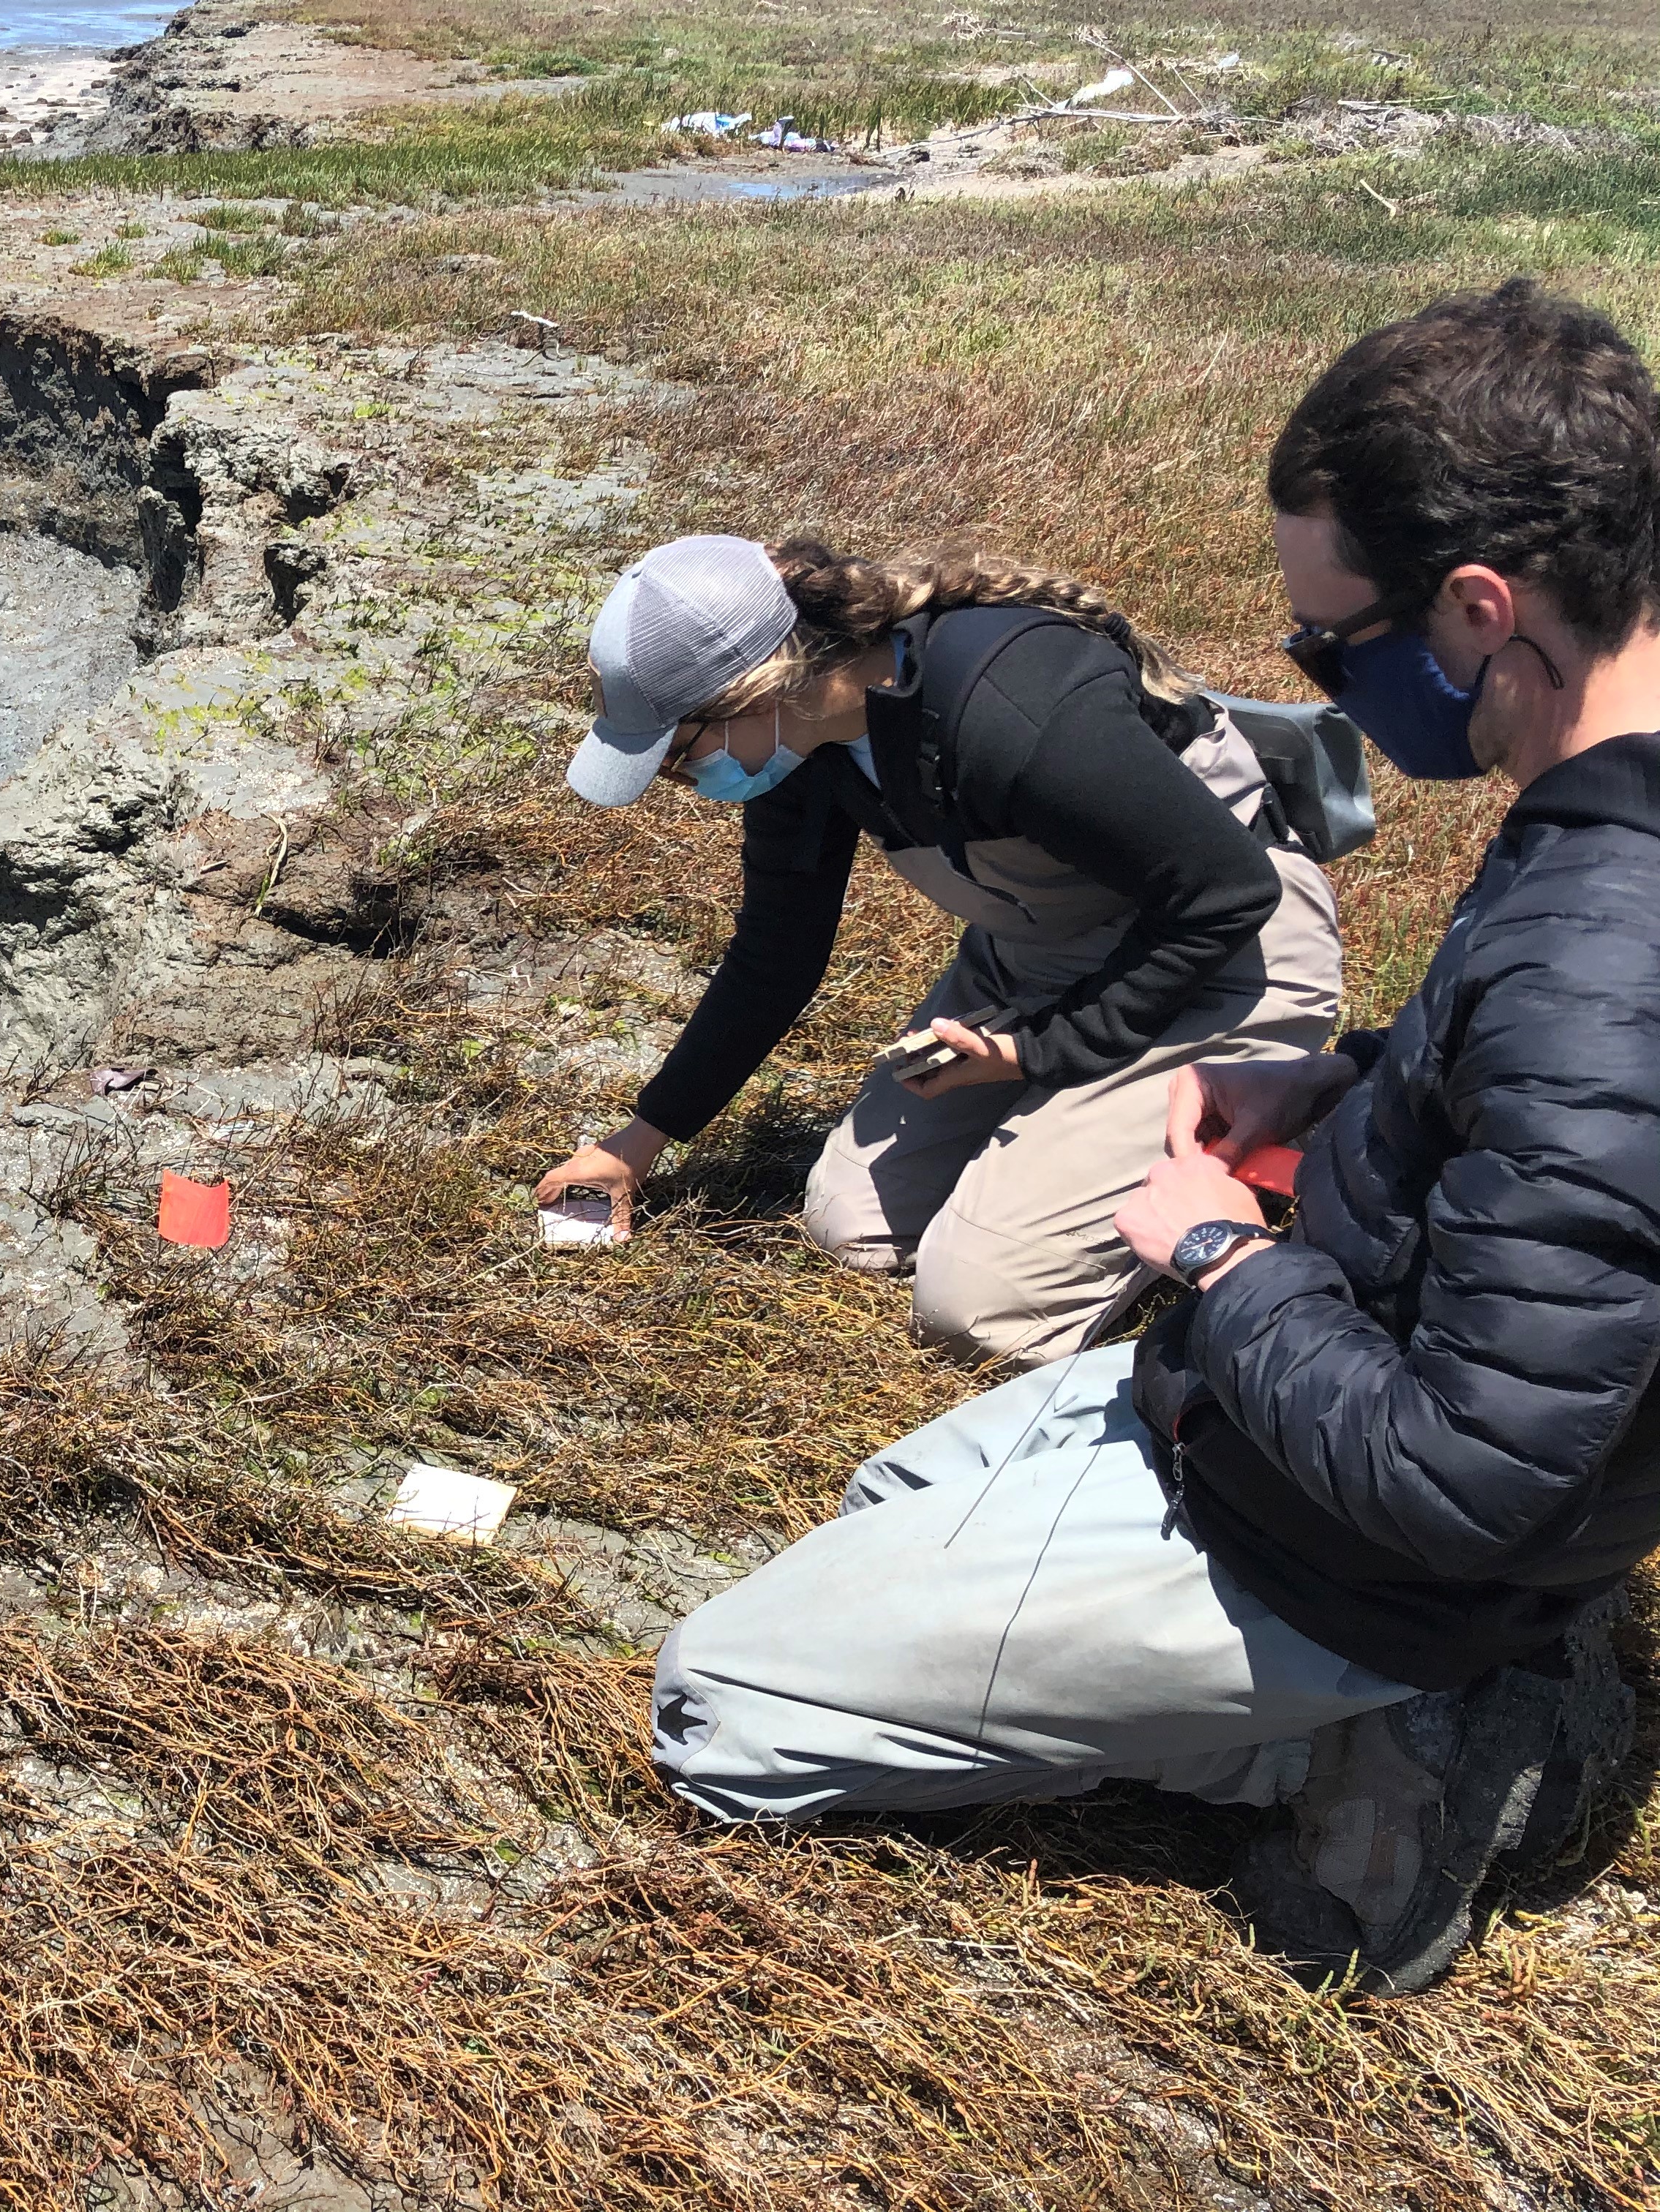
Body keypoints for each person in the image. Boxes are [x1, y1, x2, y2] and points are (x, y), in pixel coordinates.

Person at [651, 278, 1660, 1993]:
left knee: (717, 1707)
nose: (1318, 681)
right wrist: (1341, 1081)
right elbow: (1553, 1121)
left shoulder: (1600, 959)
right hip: (1277, 1390)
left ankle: (1399, 1739)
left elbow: (1463, 1475)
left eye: (1332, 644)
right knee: (883, 1488)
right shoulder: (1587, 831)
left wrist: (1212, 1253)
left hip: (1363, 1554)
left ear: (1484, 609)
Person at [534, 535, 1341, 1370]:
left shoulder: (1016, 713)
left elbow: (1227, 895)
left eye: (678, 752)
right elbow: (777, 951)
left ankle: (1280, 1105)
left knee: (980, 1313)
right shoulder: (801, 745)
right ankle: (1087, 1120)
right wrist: (639, 1141)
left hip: (1227, 959)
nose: (683, 780)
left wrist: (1035, 1050)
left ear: (761, 689)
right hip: (1042, 954)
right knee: (848, 1225)